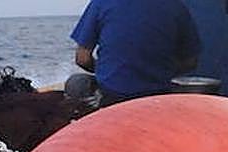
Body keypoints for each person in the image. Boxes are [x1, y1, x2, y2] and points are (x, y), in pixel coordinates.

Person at [70, 0, 202, 106]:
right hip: (159, 97)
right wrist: (160, 72)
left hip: (113, 97)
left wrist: (109, 71)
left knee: (76, 83)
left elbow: (82, 58)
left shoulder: (102, 3)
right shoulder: (176, 6)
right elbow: (190, 62)